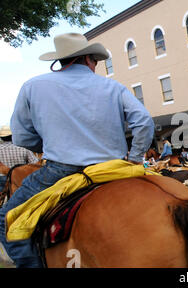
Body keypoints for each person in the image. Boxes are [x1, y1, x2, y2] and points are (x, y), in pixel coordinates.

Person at [0, 33, 154, 268]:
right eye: (96, 61)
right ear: (89, 59)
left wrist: (51, 144)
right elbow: (143, 121)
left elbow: (21, 135)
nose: (96, 66)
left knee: (5, 219)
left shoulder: (33, 86)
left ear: (61, 61)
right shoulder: (113, 86)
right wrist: (134, 159)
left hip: (60, 171)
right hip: (114, 169)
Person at [0, 126, 40, 192]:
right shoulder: (23, 147)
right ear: (12, 135)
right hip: (20, 179)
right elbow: (34, 164)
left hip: (2, 178)